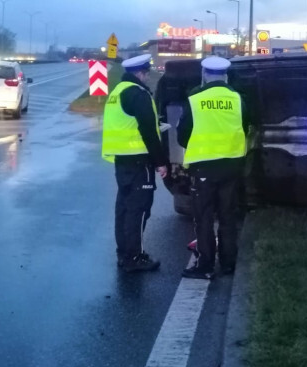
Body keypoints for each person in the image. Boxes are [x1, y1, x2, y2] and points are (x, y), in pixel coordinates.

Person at [177, 55, 249, 280]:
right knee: (228, 215)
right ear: (225, 76)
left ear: (204, 74)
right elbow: (245, 128)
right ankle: (228, 264)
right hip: (232, 165)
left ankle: (205, 265)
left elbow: (182, 135)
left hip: (204, 167)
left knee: (204, 217)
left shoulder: (195, 98)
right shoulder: (237, 98)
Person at [101, 53, 168, 272]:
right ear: (140, 73)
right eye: (146, 73)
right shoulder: (138, 94)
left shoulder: (117, 92)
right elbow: (148, 131)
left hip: (122, 160)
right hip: (140, 160)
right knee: (138, 210)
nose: (148, 77)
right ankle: (135, 257)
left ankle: (124, 253)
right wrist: (160, 162)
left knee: (123, 208)